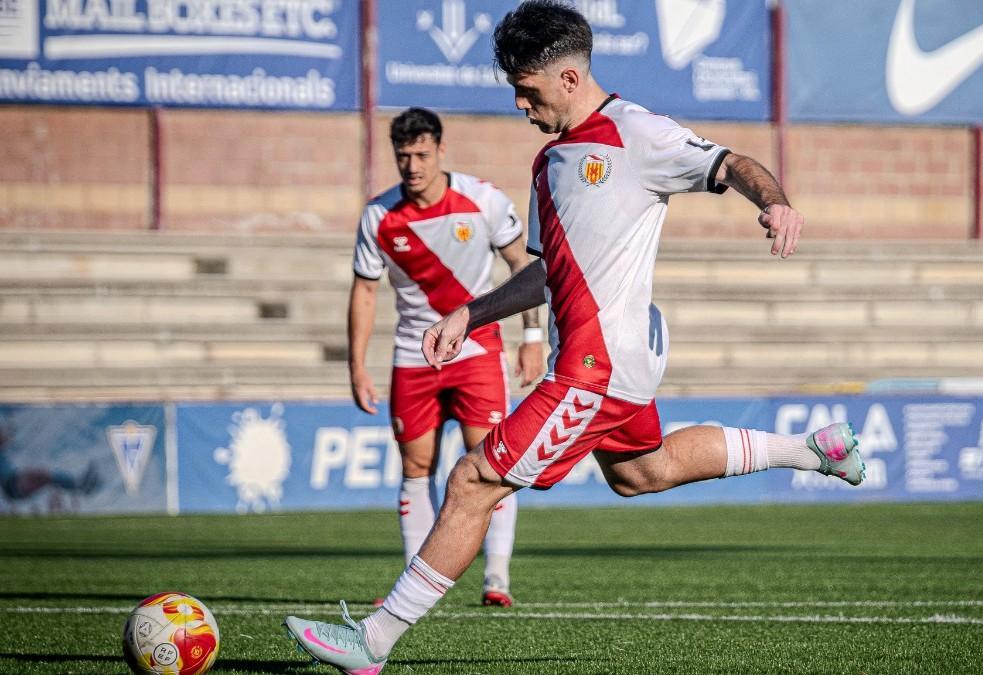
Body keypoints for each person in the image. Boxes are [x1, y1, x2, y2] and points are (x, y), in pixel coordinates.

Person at [285, 3, 864, 671]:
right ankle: (812, 450)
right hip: (601, 365)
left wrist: (776, 203)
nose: (520, 105)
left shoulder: (637, 132)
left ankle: (372, 642)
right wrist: (471, 314)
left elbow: (733, 164)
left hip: (597, 367)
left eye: (527, 91)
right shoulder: (547, 164)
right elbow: (545, 275)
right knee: (643, 472)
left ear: (567, 78)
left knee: (471, 479)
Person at [348, 108, 544, 608]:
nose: (412, 166)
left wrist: (532, 337)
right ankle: (413, 586)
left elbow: (523, 265)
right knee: (416, 467)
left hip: (476, 351)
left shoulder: (482, 200)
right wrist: (357, 366)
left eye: (421, 154)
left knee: (492, 463)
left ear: (440, 149)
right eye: (403, 156)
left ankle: (496, 578)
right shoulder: (379, 215)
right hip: (413, 357)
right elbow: (365, 292)